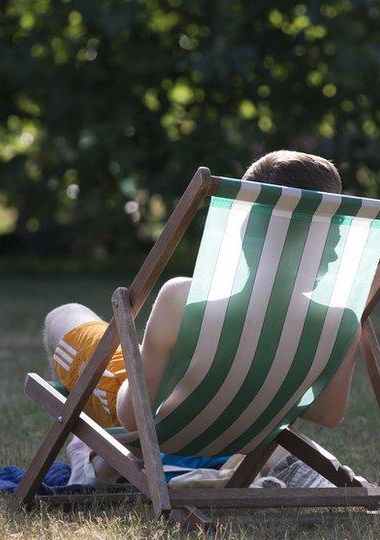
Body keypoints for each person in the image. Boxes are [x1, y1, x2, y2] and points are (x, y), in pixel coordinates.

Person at [43, 150, 358, 439]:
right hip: (245, 431)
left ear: (245, 232)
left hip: (165, 429)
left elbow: (132, 417)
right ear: (334, 238)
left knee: (64, 315)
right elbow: (327, 413)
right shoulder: (341, 322)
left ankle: (91, 450)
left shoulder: (184, 299)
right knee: (159, 358)